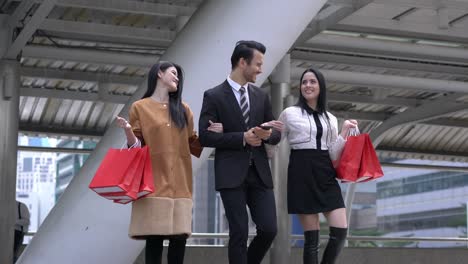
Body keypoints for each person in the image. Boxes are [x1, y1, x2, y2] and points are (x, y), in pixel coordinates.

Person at [115, 62, 214, 264]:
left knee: (179, 242)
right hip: (153, 184)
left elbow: (193, 144)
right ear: (159, 73)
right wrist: (127, 130)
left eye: (178, 76)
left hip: (180, 185)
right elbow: (136, 146)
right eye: (174, 73)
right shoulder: (140, 107)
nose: (177, 78)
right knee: (154, 243)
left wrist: (212, 135)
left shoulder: (184, 110)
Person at [198, 40, 283, 264]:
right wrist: (241, 137)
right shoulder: (213, 96)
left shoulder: (260, 96)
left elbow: (275, 134)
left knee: (269, 229)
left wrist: (268, 135)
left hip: (260, 173)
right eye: (257, 64)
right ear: (242, 62)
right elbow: (205, 137)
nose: (260, 69)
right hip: (231, 174)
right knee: (239, 232)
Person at [275, 67, 358, 264]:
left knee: (340, 232)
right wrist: (265, 140)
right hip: (301, 171)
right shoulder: (289, 113)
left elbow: (332, 153)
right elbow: (275, 142)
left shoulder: (330, 118)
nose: (308, 85)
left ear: (320, 87)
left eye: (312, 82)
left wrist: (344, 132)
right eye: (304, 82)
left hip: (325, 171)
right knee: (311, 239)